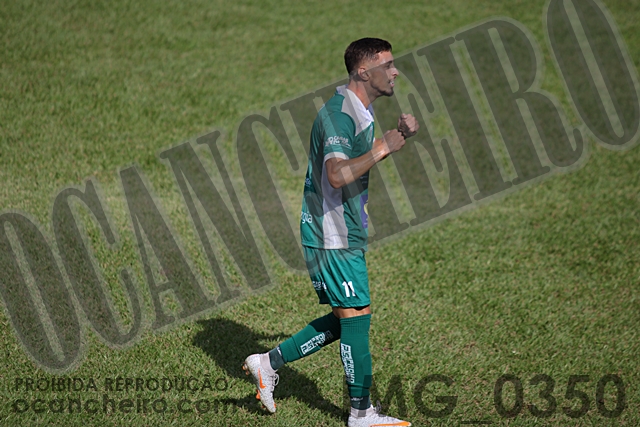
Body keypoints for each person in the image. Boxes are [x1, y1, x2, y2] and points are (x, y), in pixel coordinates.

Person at [243, 37, 418, 427]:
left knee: (349, 319)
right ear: (363, 72)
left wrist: (398, 137)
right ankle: (360, 413)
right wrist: (384, 148)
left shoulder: (358, 109)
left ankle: (267, 363)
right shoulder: (339, 116)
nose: (395, 71)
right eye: (388, 65)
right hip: (331, 235)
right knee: (357, 318)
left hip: (341, 231)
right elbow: (337, 175)